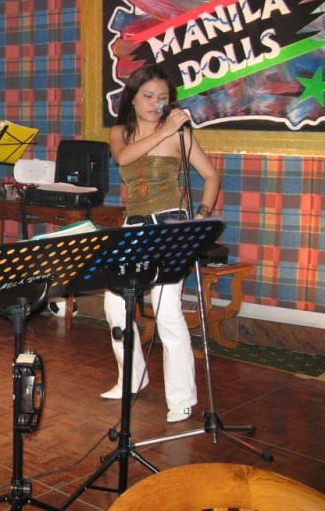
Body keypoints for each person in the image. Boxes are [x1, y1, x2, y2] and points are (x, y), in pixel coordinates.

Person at [102, 63, 220, 423]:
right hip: (134, 226)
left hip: (170, 225)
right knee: (114, 303)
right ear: (132, 98)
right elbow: (125, 157)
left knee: (167, 311)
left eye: (162, 98)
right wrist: (165, 130)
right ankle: (132, 377)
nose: (155, 103)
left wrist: (200, 217)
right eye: (148, 96)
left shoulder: (179, 134)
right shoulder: (120, 132)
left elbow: (211, 176)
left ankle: (182, 397)